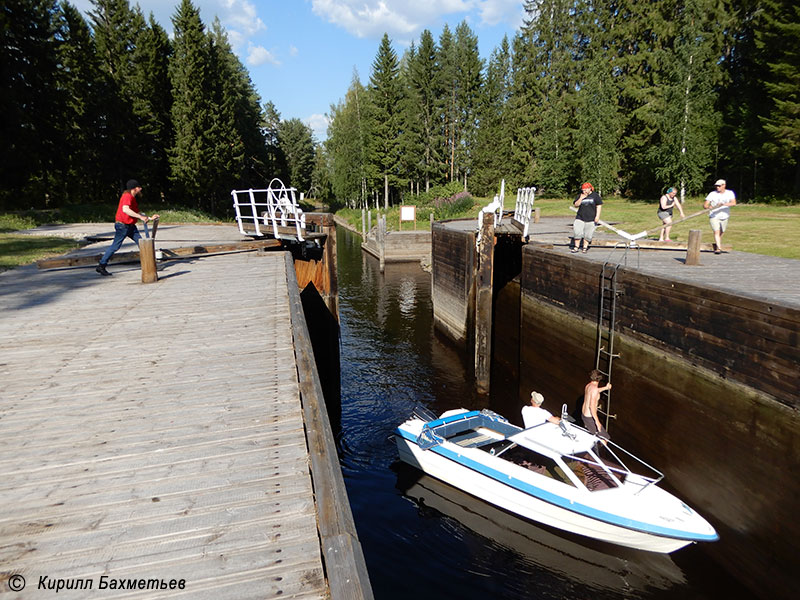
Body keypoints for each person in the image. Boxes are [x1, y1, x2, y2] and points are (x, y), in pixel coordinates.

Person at [96, 180, 158, 276]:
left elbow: (137, 213)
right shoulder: (127, 196)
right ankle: (101, 265)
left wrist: (149, 218)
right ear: (134, 188)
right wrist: (140, 217)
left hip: (130, 226)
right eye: (139, 187)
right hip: (122, 226)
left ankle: (149, 265)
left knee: (142, 244)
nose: (140, 188)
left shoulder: (132, 198)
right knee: (115, 246)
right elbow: (125, 210)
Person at [703, 179, 736, 255]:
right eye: (716, 186)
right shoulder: (712, 194)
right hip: (714, 215)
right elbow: (705, 205)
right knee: (716, 231)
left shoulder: (729, 193)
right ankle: (718, 248)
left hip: (725, 216)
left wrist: (723, 204)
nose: (717, 187)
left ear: (724, 185)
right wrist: (708, 207)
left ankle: (718, 243)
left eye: (719, 186)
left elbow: (733, 203)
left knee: (722, 231)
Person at [571, 182, 603, 254]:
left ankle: (585, 247)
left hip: (591, 218)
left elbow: (599, 205)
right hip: (580, 217)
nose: (584, 191)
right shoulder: (580, 195)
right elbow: (576, 205)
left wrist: (597, 216)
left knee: (588, 234)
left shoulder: (595, 196)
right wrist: (581, 198)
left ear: (590, 189)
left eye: (585, 190)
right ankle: (576, 247)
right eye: (583, 190)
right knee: (577, 232)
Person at [581, 369, 611, 440]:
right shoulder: (594, 390)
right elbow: (591, 407)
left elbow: (595, 391)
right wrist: (597, 422)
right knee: (605, 438)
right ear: (600, 379)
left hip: (584, 415)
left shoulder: (588, 386)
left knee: (594, 435)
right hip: (590, 418)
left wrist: (606, 388)